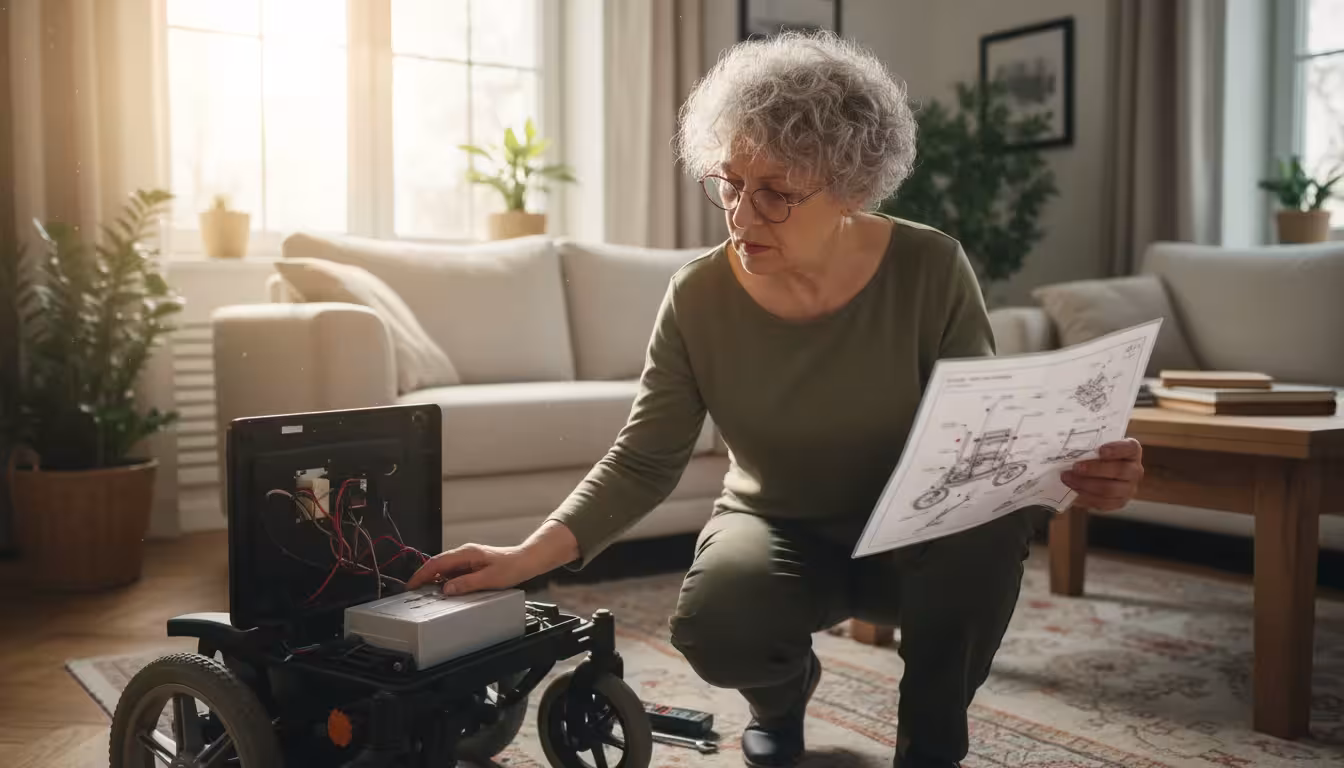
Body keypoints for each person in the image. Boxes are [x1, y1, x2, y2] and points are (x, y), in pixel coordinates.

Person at [408, 31, 1145, 768]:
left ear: (852, 187)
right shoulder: (697, 296)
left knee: (990, 530)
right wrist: (526, 556)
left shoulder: (930, 267)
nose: (740, 214)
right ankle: (781, 698)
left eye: (777, 194)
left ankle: (932, 743)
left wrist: (1076, 480)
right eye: (729, 182)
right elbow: (644, 458)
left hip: (917, 545)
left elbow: (986, 443)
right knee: (717, 626)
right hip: (776, 530)